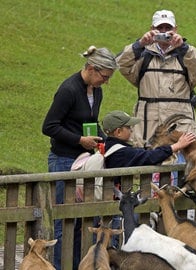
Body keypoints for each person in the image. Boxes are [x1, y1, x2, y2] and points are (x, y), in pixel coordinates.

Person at [42, 45, 118, 270]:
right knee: (63, 220)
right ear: (93, 69)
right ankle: (60, 266)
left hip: (85, 159)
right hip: (64, 159)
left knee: (80, 221)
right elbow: (49, 126)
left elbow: (92, 122)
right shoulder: (68, 90)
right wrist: (79, 140)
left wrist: (107, 142)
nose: (105, 82)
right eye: (104, 77)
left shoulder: (97, 91)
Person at [116, 9, 196, 148]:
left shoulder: (186, 54)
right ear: (152, 29)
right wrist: (140, 44)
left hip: (180, 129)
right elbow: (120, 64)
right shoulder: (143, 54)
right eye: (159, 28)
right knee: (146, 167)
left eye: (168, 28)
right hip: (147, 129)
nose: (164, 32)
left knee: (179, 167)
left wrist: (183, 47)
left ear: (176, 29)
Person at [101, 110, 196, 247]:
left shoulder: (111, 147)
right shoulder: (121, 153)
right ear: (118, 132)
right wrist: (176, 146)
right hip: (120, 210)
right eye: (129, 128)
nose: (132, 130)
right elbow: (148, 157)